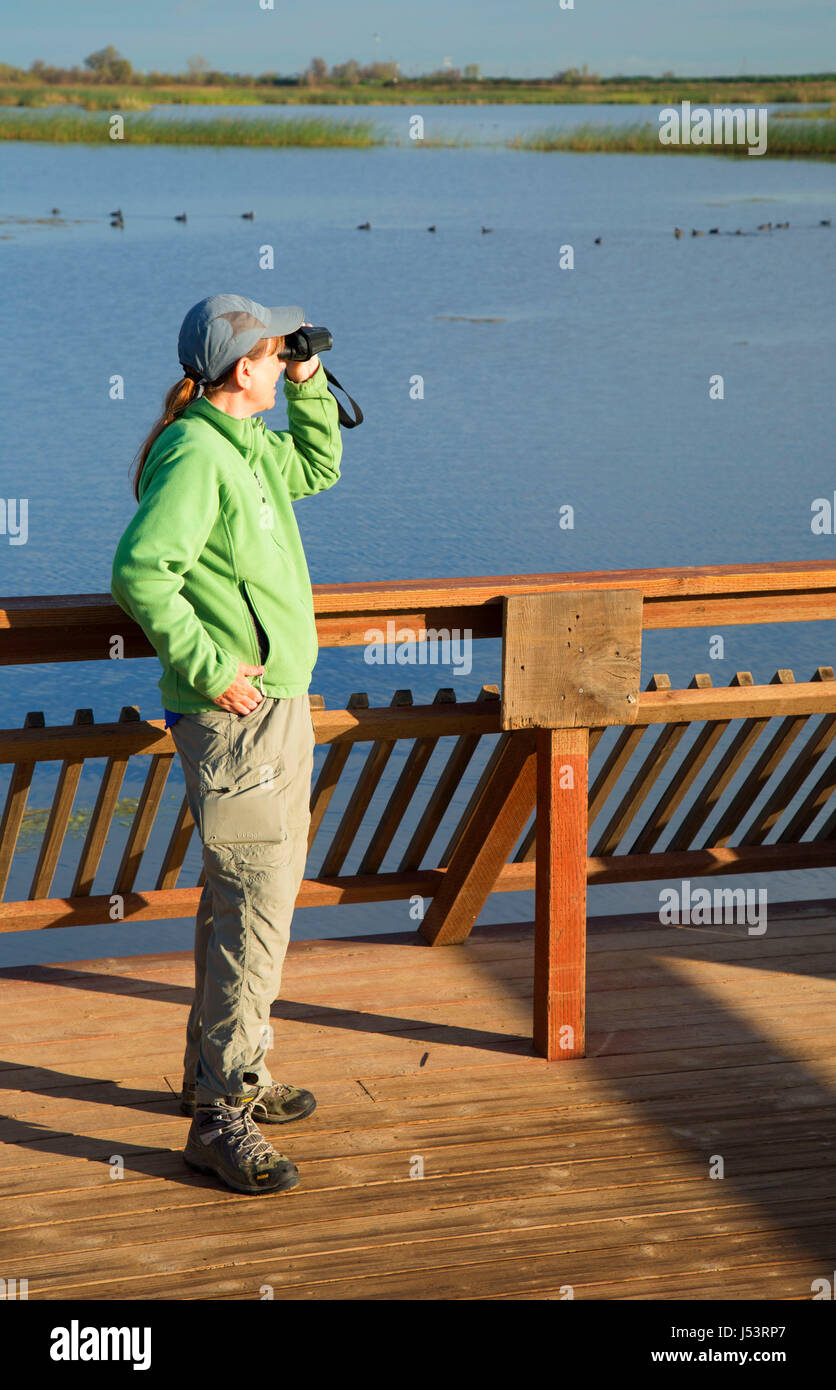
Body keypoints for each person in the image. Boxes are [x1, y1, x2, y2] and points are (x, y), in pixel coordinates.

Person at [110, 293, 343, 1196]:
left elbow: (318, 468)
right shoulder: (199, 454)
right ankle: (219, 1120)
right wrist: (209, 666)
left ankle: (223, 1077)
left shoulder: (245, 445)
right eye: (277, 349)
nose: (286, 355)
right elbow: (140, 568)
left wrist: (314, 382)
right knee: (256, 908)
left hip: (276, 703)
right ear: (242, 367)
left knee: (241, 898)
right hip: (237, 712)